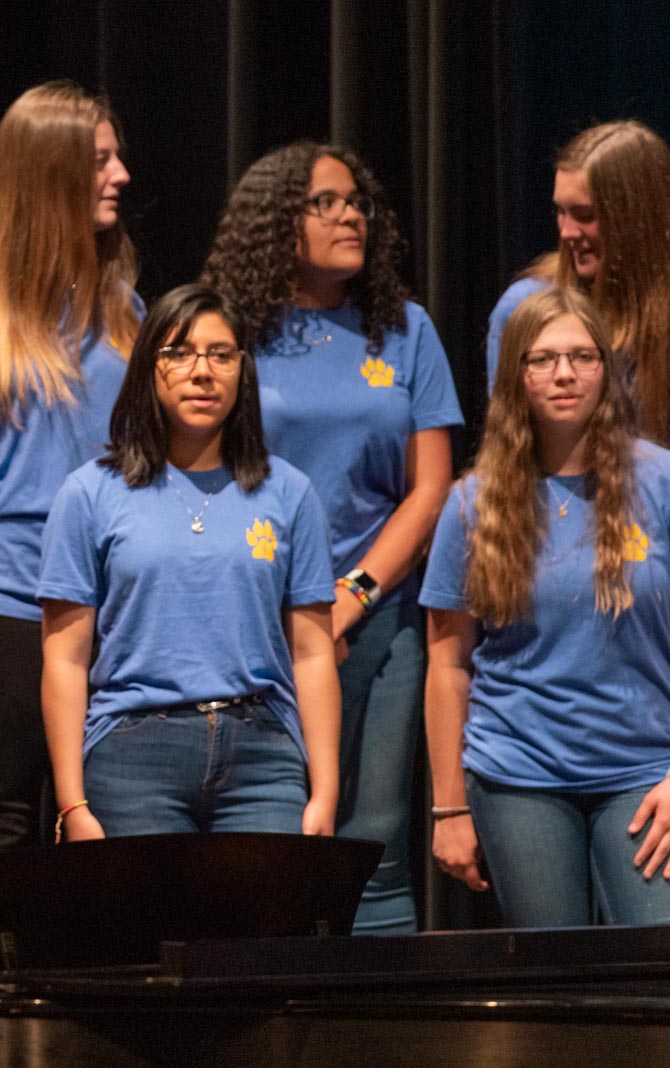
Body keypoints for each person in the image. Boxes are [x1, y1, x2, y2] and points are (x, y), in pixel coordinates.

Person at [200, 143, 463, 933]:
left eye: (357, 203)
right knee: (273, 835)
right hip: (258, 616)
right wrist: (302, 609)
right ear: (277, 220)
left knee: (373, 837)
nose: (351, 216)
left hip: (379, 615)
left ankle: (378, 1003)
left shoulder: (404, 329)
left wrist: (351, 597)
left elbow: (430, 489)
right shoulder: (235, 332)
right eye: (326, 203)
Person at [485, 121, 670, 834]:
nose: (568, 231)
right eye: (560, 211)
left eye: (585, 214)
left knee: (668, 827)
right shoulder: (527, 310)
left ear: (639, 214)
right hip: (554, 592)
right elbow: (507, 452)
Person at [423, 287, 670, 927]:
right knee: (555, 974)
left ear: (605, 370)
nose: (564, 373)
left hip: (645, 772)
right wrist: (449, 807)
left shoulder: (666, 481)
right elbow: (449, 663)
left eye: (582, 357)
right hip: (519, 774)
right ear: (516, 375)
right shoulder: (472, 503)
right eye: (543, 359)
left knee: (669, 961)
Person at [0, 80, 143, 854]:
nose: (121, 176)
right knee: (3, 819)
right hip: (12, 601)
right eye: (100, 161)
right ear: (49, 174)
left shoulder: (123, 310)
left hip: (113, 602)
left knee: (104, 820)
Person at [39, 284, 340, 842]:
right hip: (133, 755)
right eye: (178, 353)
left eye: (221, 354)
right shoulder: (89, 493)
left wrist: (324, 793)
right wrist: (71, 802)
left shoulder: (290, 492)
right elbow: (65, 659)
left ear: (242, 370)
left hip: (263, 756)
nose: (202, 372)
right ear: (148, 368)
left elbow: (313, 652)